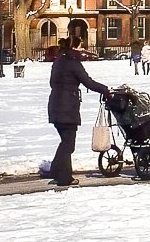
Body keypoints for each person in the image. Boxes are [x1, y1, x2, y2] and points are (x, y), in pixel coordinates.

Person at [44, 37, 110, 187]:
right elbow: (88, 82)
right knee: (68, 144)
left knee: (65, 141)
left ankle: (56, 170)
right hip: (67, 108)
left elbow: (51, 83)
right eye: (81, 47)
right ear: (75, 47)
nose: (83, 50)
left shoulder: (58, 61)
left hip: (55, 105)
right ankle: (64, 178)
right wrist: (105, 89)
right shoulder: (73, 63)